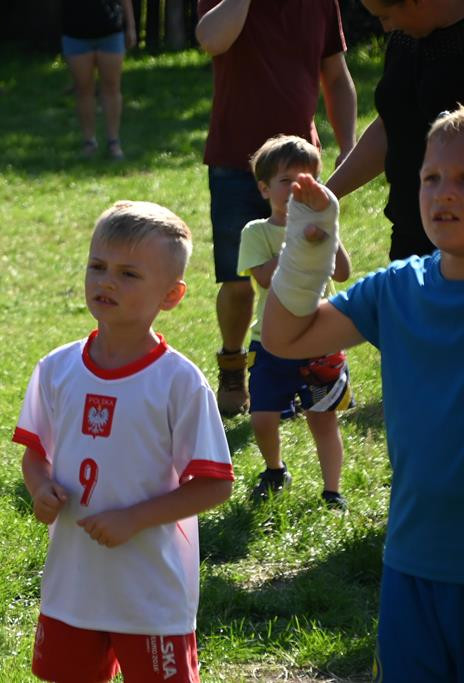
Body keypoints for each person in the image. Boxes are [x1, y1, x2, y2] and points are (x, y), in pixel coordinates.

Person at [261, 105, 464, 682]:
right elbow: (284, 337)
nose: (443, 193)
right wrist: (307, 245)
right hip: (412, 563)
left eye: (463, 179)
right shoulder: (401, 288)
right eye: (431, 178)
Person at [15, 201, 234, 683]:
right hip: (73, 587)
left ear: (172, 295)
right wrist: (40, 487)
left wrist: (133, 518)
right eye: (98, 267)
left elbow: (215, 486)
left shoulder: (179, 382)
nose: (106, 282)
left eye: (129, 274)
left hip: (150, 592)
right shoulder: (57, 368)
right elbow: (36, 454)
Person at [195, 0, 358, 416]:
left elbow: (336, 77)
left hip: (299, 166)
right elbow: (211, 39)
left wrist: (348, 146)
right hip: (234, 161)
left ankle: (313, 368)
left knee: (315, 269)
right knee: (236, 281)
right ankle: (234, 364)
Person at [237, 135, 354, 509]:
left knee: (323, 419)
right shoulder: (256, 232)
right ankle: (275, 469)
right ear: (264, 187)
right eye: (288, 181)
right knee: (262, 416)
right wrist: (300, 239)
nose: (298, 188)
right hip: (269, 341)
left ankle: (332, 491)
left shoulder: (322, 225)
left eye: (308, 179)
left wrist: (325, 233)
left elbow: (343, 273)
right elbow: (267, 278)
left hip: (319, 340)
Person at [325, 0, 464, 261]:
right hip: (411, 231)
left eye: (386, 15)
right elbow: (392, 124)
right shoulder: (406, 40)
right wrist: (326, 194)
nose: (386, 28)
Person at [61, 0, 137, 160]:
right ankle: (89, 142)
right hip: (75, 32)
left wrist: (130, 27)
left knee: (112, 87)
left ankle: (113, 142)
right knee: (83, 89)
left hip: (111, 30)